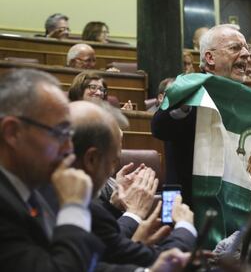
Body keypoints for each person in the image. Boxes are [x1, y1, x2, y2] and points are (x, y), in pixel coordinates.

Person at [69, 101, 196, 268]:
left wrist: (114, 207)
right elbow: (161, 263)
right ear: (91, 159)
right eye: (114, 161)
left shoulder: (60, 192)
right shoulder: (76, 205)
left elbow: (108, 247)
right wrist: (184, 226)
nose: (112, 171)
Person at [0, 68, 104, 271]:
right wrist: (74, 206)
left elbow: (51, 258)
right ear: (13, 133)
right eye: (60, 133)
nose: (69, 148)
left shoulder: (30, 189)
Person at [152, 24, 250, 205]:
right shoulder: (188, 88)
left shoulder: (245, 98)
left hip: (230, 203)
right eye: (236, 48)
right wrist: (183, 103)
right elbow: (159, 127)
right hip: (182, 205)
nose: (246, 54)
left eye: (246, 48)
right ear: (210, 58)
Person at [68, 71, 133, 110]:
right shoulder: (68, 113)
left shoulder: (107, 114)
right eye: (93, 87)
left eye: (101, 89)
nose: (99, 93)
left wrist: (123, 114)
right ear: (79, 90)